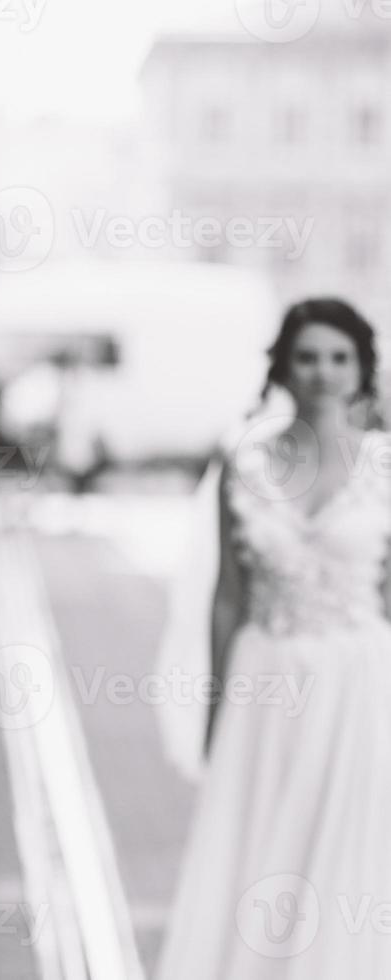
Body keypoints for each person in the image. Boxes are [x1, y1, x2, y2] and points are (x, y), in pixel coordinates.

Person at [154, 297, 391, 976]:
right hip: (263, 683)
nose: (323, 371)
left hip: (360, 685)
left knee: (349, 853)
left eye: (338, 357)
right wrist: (213, 708)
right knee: (257, 846)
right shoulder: (246, 462)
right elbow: (227, 597)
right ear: (283, 364)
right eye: (308, 355)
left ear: (361, 369)